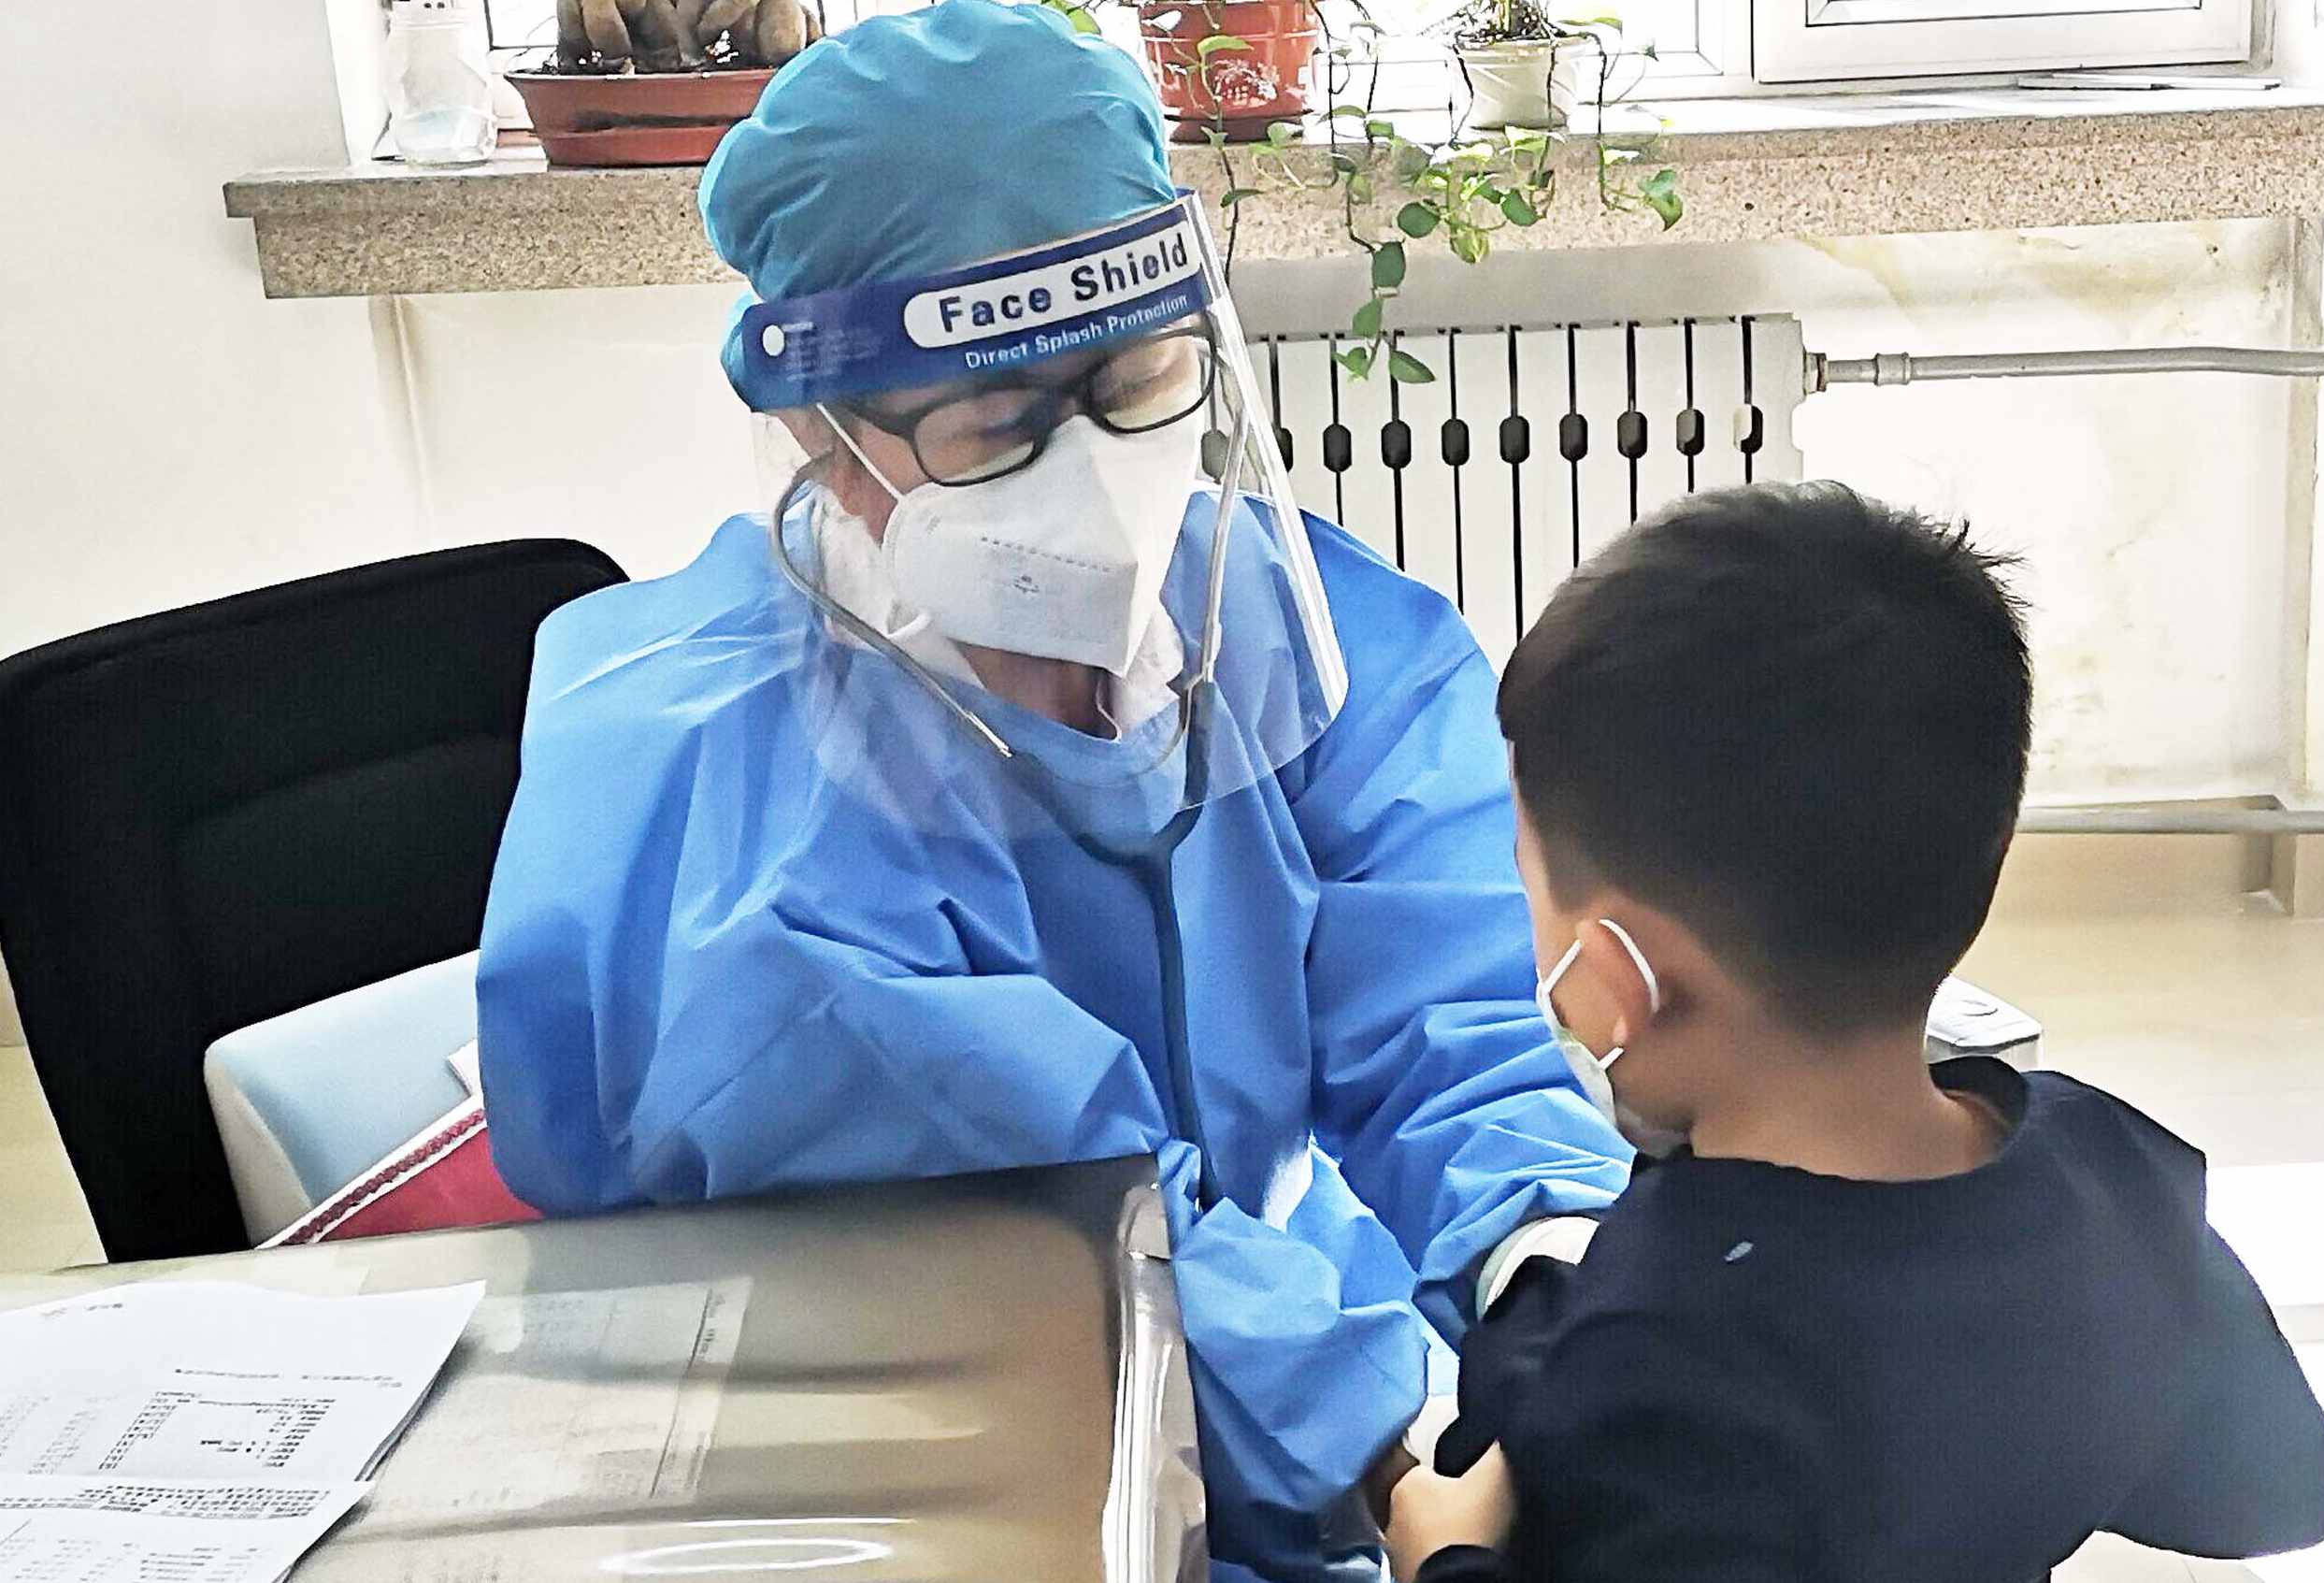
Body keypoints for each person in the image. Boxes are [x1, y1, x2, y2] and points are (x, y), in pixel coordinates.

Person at [471, 5, 1628, 1579]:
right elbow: (1071, 1224)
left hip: (1254, 1342)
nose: (1091, 472)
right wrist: (1392, 1447)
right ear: (821, 434)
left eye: (1136, 381)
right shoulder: (754, 837)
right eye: (997, 424)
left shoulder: (1286, 627)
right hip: (922, 1430)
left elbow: (1452, 1005)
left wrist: (1548, 1274)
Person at [1384, 483, 2324, 1582]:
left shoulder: (1652, 1373)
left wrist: (1444, 1556)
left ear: (1620, 979)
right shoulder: (2110, 1172)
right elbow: (2281, 1488)